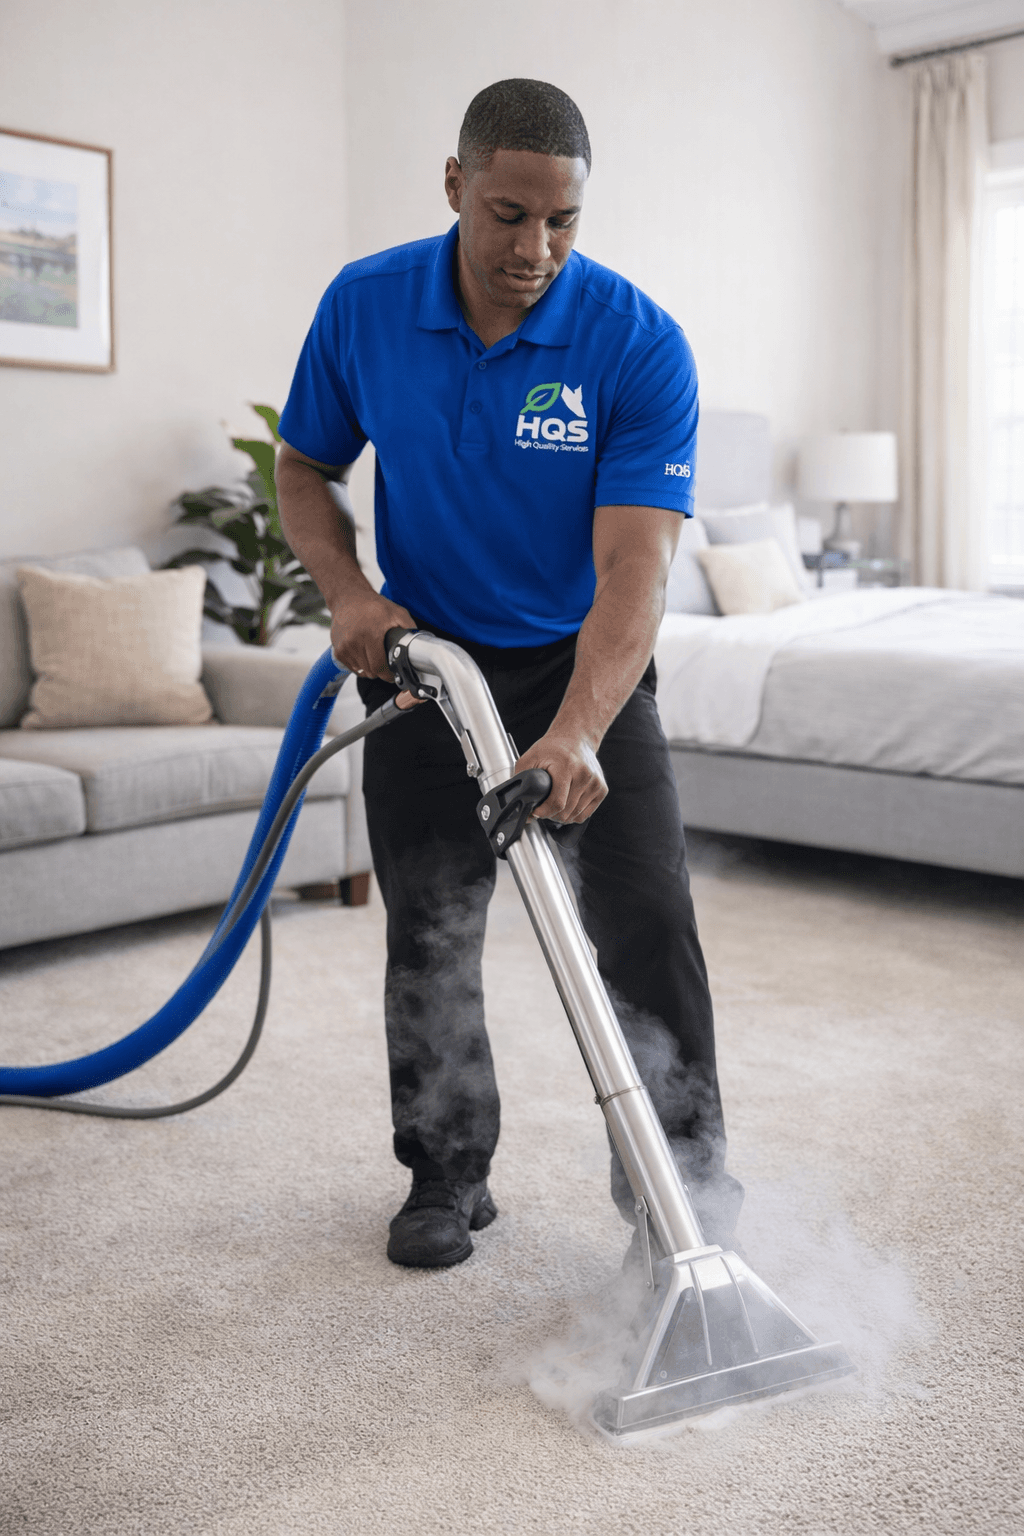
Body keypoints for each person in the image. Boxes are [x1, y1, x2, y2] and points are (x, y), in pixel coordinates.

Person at [276, 78, 742, 1270]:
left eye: (562, 220)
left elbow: (636, 566)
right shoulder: (366, 307)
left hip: (582, 667)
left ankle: (681, 1197)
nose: (535, 247)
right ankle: (445, 1175)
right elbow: (302, 469)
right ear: (455, 187)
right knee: (430, 927)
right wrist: (352, 597)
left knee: (645, 920)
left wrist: (582, 730)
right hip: (426, 668)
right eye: (507, 213)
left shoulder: (635, 343)